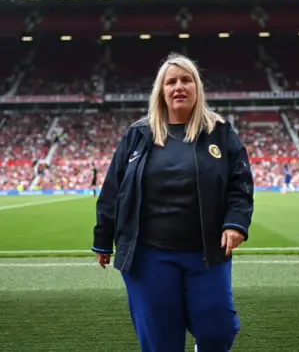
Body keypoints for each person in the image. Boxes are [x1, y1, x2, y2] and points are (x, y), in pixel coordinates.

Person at [92, 53, 254, 352]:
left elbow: (240, 185)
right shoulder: (138, 134)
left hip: (206, 252)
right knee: (160, 341)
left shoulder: (220, 132)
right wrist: (103, 239)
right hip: (147, 254)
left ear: (197, 87)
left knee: (218, 331)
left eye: (186, 80)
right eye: (171, 82)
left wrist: (236, 223)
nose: (179, 86)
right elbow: (113, 189)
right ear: (161, 91)